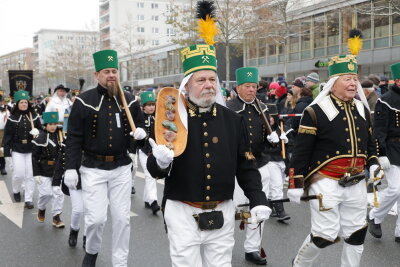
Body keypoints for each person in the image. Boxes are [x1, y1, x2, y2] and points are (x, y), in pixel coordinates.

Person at [147, 44, 271, 267]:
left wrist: (257, 198)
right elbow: (154, 168)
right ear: (187, 86)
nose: (208, 85)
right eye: (201, 80)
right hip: (182, 210)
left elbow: (245, 165)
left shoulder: (233, 120)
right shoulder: (171, 119)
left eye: (212, 80)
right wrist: (161, 162)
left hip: (222, 210)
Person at [287, 54, 382, 267]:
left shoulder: (362, 109)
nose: (353, 83)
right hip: (325, 180)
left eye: (354, 78)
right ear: (332, 84)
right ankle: (300, 264)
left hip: (357, 181)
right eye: (346, 78)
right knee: (324, 235)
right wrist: (295, 183)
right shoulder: (314, 112)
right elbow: (301, 151)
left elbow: (369, 144)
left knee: (357, 233)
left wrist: (373, 164)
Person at [64, 49, 146, 267]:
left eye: (114, 71)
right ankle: (91, 251)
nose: (112, 75)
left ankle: (120, 262)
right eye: (107, 71)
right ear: (96, 75)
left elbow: (142, 130)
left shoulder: (129, 100)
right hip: (92, 168)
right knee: (96, 219)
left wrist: (141, 135)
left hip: (121, 167)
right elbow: (73, 137)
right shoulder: (83, 101)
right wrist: (70, 167)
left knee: (122, 219)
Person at [227, 67, 283, 265]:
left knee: (258, 210)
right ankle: (225, 247)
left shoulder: (263, 107)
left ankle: (252, 248)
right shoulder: (229, 108)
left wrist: (272, 139)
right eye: (247, 86)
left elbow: (268, 138)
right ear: (238, 87)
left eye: (254, 86)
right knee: (233, 210)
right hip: (237, 168)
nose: (252, 90)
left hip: (260, 163)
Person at [368, 62, 400, 243]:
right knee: (395, 189)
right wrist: (381, 154)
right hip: (391, 149)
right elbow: (379, 130)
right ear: (397, 80)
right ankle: (374, 215)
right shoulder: (385, 100)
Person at [3, 90, 41, 208]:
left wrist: (38, 132)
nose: (24, 104)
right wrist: (7, 153)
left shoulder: (34, 117)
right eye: (21, 102)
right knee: (18, 174)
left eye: (25, 102)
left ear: (28, 104)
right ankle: (16, 190)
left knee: (30, 175)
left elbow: (42, 132)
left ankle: (28, 198)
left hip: (31, 149)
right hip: (17, 149)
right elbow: (7, 136)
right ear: (17, 104)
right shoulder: (12, 118)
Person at [32, 112, 65, 228]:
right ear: (45, 125)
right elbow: (34, 157)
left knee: (58, 193)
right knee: (46, 194)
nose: (53, 126)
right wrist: (36, 173)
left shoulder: (60, 136)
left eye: (55, 124)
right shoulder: (40, 137)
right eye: (50, 124)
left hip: (57, 169)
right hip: (43, 169)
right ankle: (41, 208)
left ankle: (56, 217)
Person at [137, 91, 161, 214]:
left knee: (152, 175)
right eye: (149, 105)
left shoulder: (158, 115)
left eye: (153, 104)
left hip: (156, 149)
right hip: (144, 150)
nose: (152, 107)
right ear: (143, 106)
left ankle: (147, 199)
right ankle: (153, 202)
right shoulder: (140, 117)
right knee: (150, 175)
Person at [0, 96, 10, 175]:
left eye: (1, 101)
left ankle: (2, 167)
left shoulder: (6, 110)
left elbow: (9, 122)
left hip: (3, 132)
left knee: (1, 150)